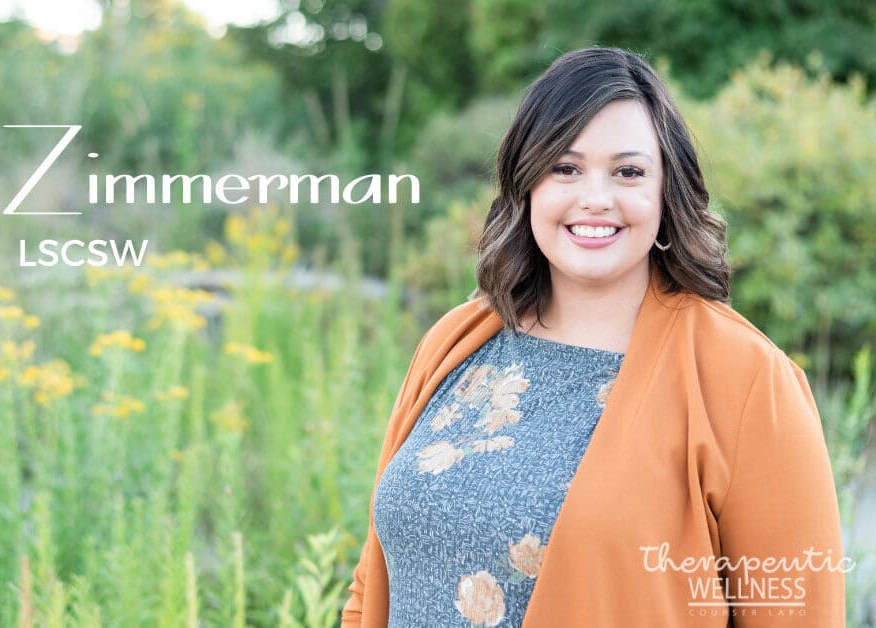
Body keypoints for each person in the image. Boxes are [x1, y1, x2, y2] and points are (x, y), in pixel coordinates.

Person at [341, 47, 847, 627]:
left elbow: (799, 615)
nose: (595, 198)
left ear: (666, 192)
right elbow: (371, 586)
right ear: (527, 183)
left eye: (628, 172)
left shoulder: (746, 380)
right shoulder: (455, 341)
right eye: (566, 167)